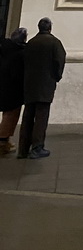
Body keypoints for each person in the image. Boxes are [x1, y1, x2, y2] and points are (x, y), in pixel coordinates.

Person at [18, 17, 66, 160]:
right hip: (45, 84)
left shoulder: (31, 43)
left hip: (29, 84)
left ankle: (23, 149)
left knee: (27, 116)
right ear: (50, 28)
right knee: (41, 116)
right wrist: (56, 77)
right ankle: (37, 147)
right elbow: (60, 61)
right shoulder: (54, 42)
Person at [0, 27, 28, 155]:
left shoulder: (4, 49)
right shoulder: (18, 53)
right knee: (10, 116)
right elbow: (17, 74)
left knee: (8, 115)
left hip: (4, 87)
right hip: (13, 90)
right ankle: (3, 141)